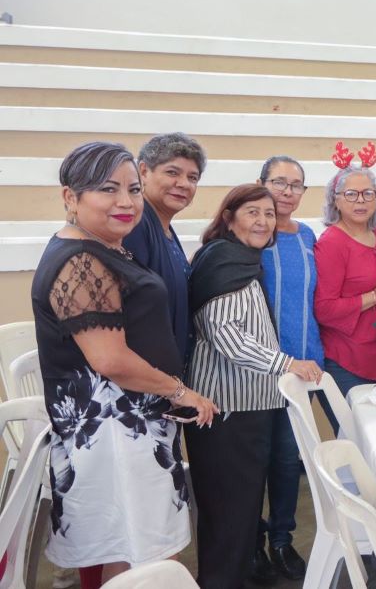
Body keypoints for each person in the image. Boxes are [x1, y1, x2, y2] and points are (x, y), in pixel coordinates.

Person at [30, 142, 217, 585]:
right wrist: (181, 392)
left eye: (133, 189)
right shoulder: (80, 260)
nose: (126, 201)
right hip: (114, 432)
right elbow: (110, 359)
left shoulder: (102, 247)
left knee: (132, 548)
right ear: (71, 197)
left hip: (131, 425)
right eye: (107, 189)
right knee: (139, 551)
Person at [185, 184, 323, 589]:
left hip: (249, 405)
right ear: (229, 219)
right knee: (228, 514)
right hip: (227, 409)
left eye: (268, 214)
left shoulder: (242, 259)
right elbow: (225, 335)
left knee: (240, 512)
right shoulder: (223, 259)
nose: (263, 221)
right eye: (252, 213)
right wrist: (287, 363)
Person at [250, 156, 324, 583]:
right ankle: (251, 541)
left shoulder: (308, 235)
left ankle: (281, 538)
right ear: (262, 183)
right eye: (279, 182)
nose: (287, 192)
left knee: (286, 457)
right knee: (252, 460)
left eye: (296, 185)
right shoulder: (249, 233)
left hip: (301, 366)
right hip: (254, 369)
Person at [315, 158, 376, 395]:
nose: (360, 200)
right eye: (351, 194)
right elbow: (324, 309)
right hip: (347, 359)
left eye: (368, 193)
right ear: (336, 200)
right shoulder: (332, 243)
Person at [122, 131, 206, 361]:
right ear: (143, 171)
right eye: (172, 172)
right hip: (145, 373)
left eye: (193, 177)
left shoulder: (165, 227)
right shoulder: (136, 225)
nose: (184, 184)